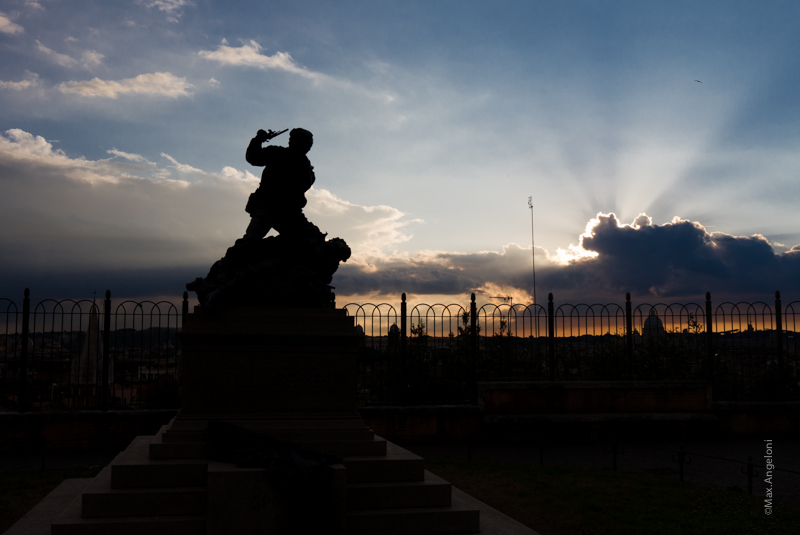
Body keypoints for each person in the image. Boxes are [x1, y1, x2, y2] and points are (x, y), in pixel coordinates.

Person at [242, 127, 317, 241]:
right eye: (304, 143)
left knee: (312, 237)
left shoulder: (307, 167)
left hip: (290, 211)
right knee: (250, 241)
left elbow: (303, 187)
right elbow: (253, 157)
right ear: (292, 142)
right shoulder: (276, 153)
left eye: (309, 144)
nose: (307, 147)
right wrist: (258, 140)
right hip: (267, 206)